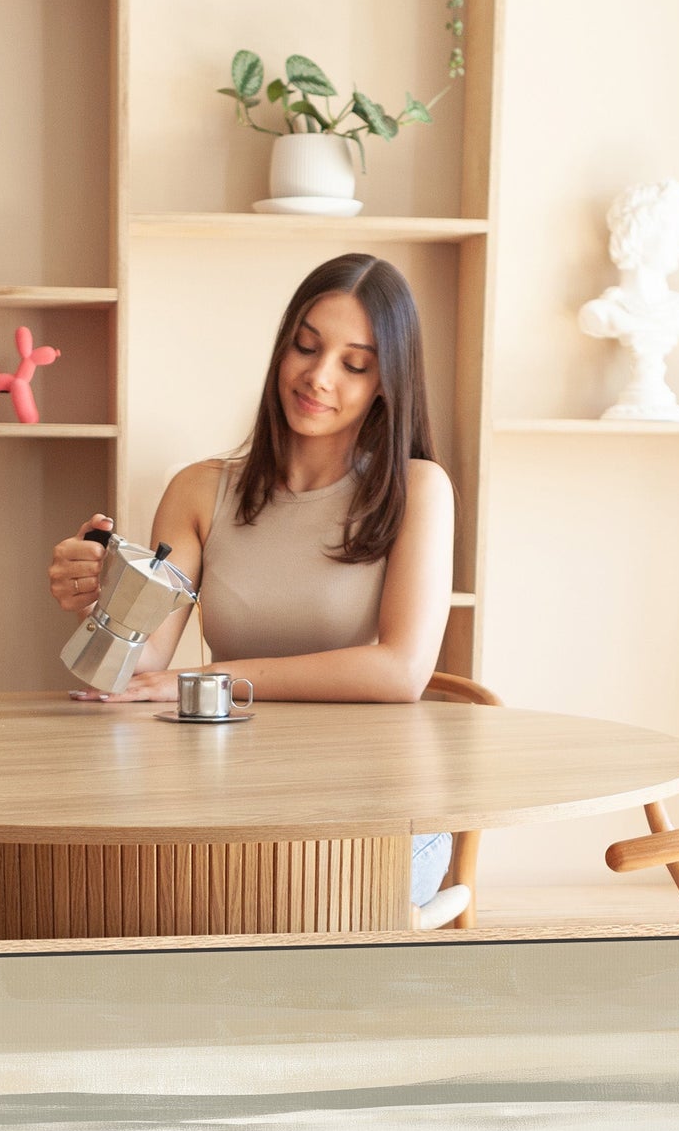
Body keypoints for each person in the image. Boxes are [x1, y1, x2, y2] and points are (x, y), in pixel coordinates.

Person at [46, 252, 457, 903]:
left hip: (377, 812)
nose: (319, 376)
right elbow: (140, 668)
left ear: (386, 382)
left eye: (354, 364)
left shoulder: (418, 490)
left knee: (261, 898)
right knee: (122, 885)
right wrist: (99, 600)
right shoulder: (199, 490)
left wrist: (212, 678)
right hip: (236, 802)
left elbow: (401, 672)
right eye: (306, 347)